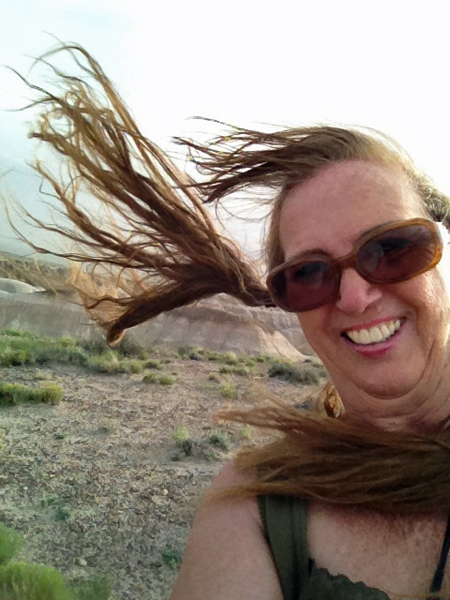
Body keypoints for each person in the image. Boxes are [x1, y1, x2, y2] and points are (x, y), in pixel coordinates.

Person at [13, 44, 450, 599]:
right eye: (311, 274)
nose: (358, 297)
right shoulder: (256, 507)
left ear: (439, 245)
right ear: (287, 298)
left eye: (391, 247)